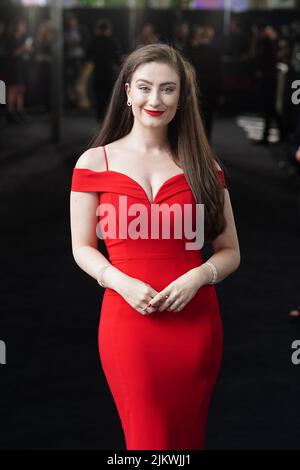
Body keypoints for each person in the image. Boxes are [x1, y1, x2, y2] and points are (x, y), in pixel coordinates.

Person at [70, 44, 240, 450]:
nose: (155, 99)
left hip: (196, 324)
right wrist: (121, 282)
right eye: (145, 87)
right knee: (149, 442)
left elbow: (230, 250)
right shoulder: (94, 163)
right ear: (127, 91)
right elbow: (81, 247)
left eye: (168, 89)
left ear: (181, 98)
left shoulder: (204, 166)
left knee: (187, 439)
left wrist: (198, 276)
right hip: (128, 324)